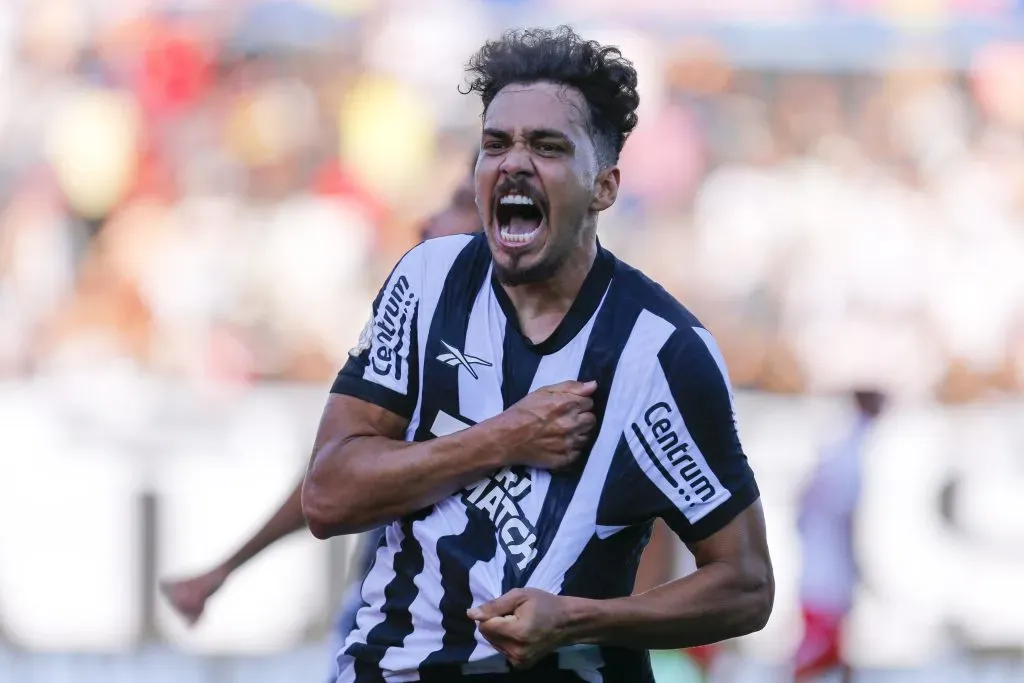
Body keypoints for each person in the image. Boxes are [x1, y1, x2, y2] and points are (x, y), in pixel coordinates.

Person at [301, 26, 774, 683]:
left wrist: (579, 619)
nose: (514, 163)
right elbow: (326, 497)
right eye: (497, 143)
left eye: (547, 146)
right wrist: (501, 439)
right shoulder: (425, 282)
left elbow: (746, 584)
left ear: (604, 187)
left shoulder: (659, 352)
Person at [159, 159, 481, 660]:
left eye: (461, 205)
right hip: (391, 632)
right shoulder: (430, 329)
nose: (428, 221)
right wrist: (225, 569)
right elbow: (328, 483)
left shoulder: (558, 355)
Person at [794, 389, 886, 682]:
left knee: (836, 657)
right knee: (816, 661)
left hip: (824, 577)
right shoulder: (852, 452)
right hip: (828, 581)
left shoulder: (841, 447)